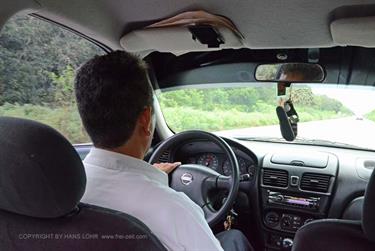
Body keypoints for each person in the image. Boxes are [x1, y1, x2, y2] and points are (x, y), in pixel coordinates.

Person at [75, 51, 253, 251]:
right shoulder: (173, 208)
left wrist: (152, 177)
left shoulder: (64, 192)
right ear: (145, 120)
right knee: (234, 237)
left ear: (84, 122)